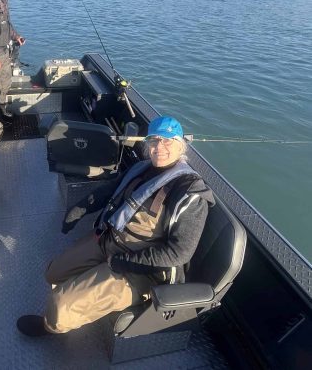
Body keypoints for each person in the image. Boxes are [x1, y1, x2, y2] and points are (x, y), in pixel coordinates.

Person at [17, 116, 215, 336]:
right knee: (53, 273)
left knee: (60, 306)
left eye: (168, 141)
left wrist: (125, 262)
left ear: (181, 146)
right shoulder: (142, 168)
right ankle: (82, 290)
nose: (160, 147)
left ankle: (52, 325)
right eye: (154, 140)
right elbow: (110, 189)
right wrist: (79, 209)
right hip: (109, 241)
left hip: (142, 269)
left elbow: (179, 253)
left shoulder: (191, 193)